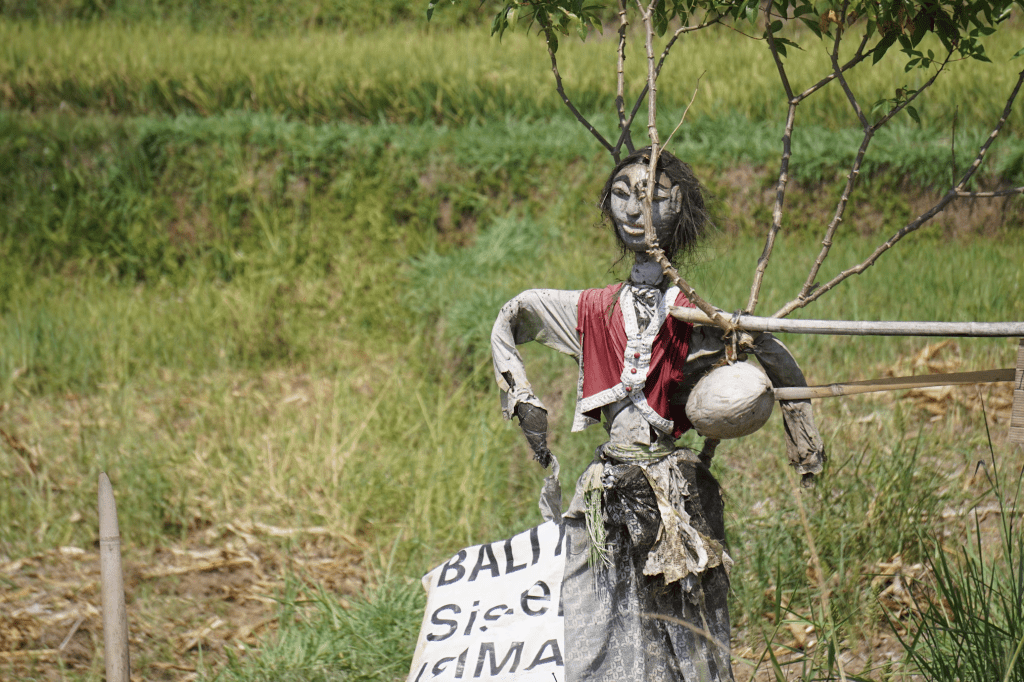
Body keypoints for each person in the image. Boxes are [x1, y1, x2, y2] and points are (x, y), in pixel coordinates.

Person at [490, 147, 826, 681]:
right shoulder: (592, 309)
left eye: (650, 197)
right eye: (621, 195)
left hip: (673, 492)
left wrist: (802, 438)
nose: (633, 209)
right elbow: (514, 313)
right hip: (606, 488)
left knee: (685, 631)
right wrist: (523, 397)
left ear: (679, 209)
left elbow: (771, 352)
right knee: (594, 619)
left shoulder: (693, 315)